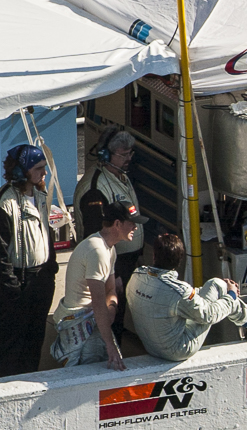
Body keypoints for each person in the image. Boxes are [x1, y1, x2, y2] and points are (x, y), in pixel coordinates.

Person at [126, 233, 247, 361]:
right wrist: (232, 294)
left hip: (150, 346)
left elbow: (174, 297)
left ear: (154, 255)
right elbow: (208, 316)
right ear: (179, 260)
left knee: (215, 285)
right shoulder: (178, 291)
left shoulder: (138, 274)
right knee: (219, 286)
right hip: (176, 350)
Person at [50, 201, 146, 370]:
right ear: (117, 224)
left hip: (94, 320)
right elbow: (98, 302)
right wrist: (111, 346)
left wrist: (112, 308)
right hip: (81, 327)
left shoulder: (109, 248)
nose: (135, 228)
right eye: (132, 223)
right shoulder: (97, 251)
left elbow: (110, 290)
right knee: (90, 376)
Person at [74, 126, 143, 341]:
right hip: (113, 264)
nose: (128, 159)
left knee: (120, 314)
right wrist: (114, 276)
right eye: (123, 154)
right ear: (105, 155)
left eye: (130, 153)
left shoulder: (119, 176)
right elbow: (97, 238)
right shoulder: (95, 188)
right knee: (112, 317)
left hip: (126, 259)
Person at [0, 145, 58, 377]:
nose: (44, 173)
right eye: (39, 168)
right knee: (14, 345)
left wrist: (51, 269)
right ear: (22, 171)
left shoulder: (40, 195)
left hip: (41, 280)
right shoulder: (6, 203)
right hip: (19, 282)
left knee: (35, 340)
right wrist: (12, 287)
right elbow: (1, 253)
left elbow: (47, 233)